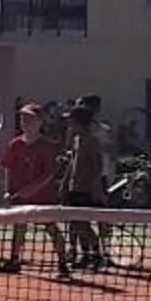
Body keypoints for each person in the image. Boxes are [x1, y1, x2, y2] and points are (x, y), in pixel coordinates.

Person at [0, 101, 66, 278]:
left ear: (40, 122)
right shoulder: (15, 145)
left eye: (30, 119)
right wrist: (8, 190)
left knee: (51, 228)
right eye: (23, 118)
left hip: (43, 198)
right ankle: (14, 260)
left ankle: (63, 263)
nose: (25, 122)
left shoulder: (47, 147)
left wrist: (31, 190)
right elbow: (8, 168)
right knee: (19, 227)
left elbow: (49, 174)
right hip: (20, 197)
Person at [59, 94, 118, 274]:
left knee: (82, 223)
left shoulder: (92, 141)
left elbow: (97, 164)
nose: (69, 124)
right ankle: (86, 254)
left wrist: (95, 186)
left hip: (85, 188)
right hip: (74, 187)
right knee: (75, 223)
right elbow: (72, 163)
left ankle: (96, 253)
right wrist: (64, 183)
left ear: (80, 122)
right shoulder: (76, 140)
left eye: (72, 121)